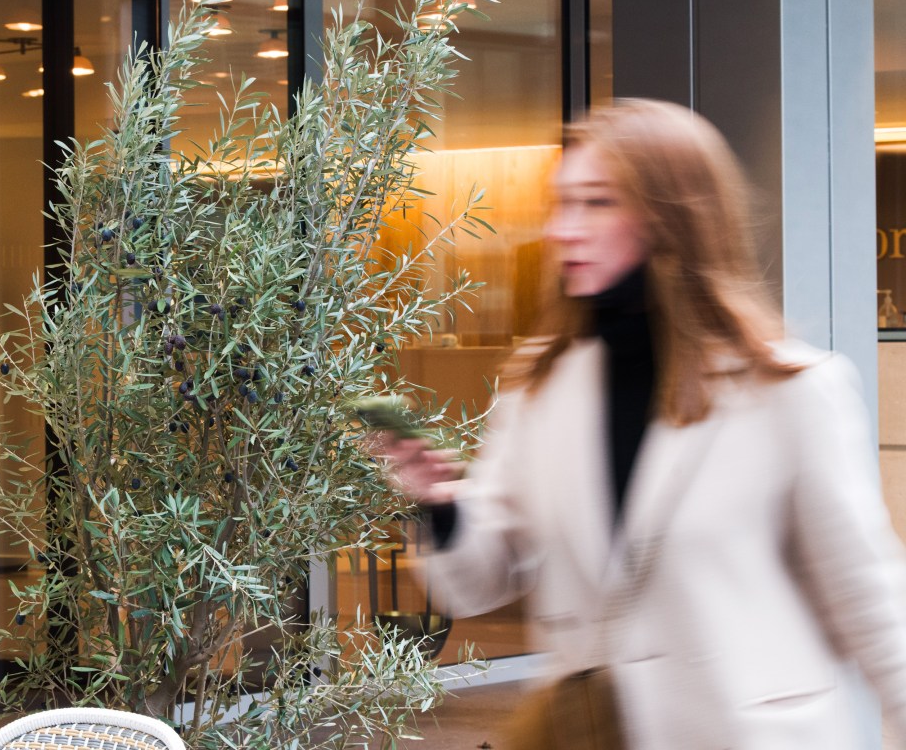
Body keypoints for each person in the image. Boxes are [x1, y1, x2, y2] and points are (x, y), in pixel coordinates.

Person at [378, 100, 906, 748]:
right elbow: (480, 580)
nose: (564, 229)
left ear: (670, 216)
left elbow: (869, 597)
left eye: (596, 203)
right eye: (561, 203)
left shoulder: (791, 391)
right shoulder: (539, 388)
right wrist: (441, 506)